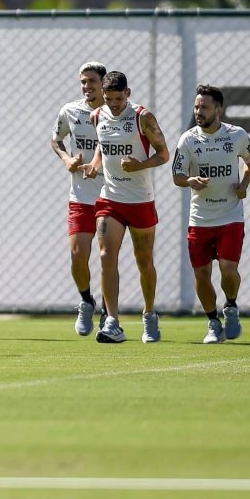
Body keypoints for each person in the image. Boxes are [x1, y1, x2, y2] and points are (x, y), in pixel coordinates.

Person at [82, 71, 170, 343]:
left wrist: (139, 165)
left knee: (144, 261)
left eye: (119, 99)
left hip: (140, 200)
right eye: (108, 99)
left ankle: (149, 314)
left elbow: (164, 154)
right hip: (110, 199)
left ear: (128, 93)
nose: (114, 104)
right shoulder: (97, 116)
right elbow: (102, 146)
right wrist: (94, 164)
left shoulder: (143, 118)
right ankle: (112, 321)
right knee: (105, 256)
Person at [172, 85, 250, 343]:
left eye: (204, 107)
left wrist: (244, 184)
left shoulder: (237, 135)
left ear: (219, 109)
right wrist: (190, 181)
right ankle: (213, 322)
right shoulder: (188, 139)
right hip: (200, 219)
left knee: (228, 270)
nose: (198, 112)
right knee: (201, 275)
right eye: (196, 107)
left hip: (230, 216)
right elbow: (177, 175)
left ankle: (230, 305)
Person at [50, 62, 108, 336]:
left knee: (106, 257)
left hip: (111, 196)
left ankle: (108, 312)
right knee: (78, 254)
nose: (86, 87)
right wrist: (66, 159)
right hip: (81, 195)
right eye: (83, 82)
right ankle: (86, 301)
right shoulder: (70, 111)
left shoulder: (117, 113)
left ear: (104, 83)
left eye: (91, 81)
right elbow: (56, 139)